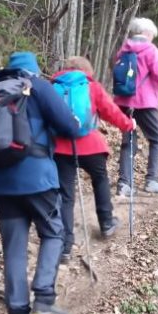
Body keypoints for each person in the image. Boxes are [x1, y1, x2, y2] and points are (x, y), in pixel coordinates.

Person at [0, 51, 80, 314]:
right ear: (32, 70)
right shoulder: (39, 87)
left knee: (14, 248)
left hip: (1, 181)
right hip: (37, 178)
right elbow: (69, 127)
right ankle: (44, 297)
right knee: (54, 232)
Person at [51, 55, 134, 262]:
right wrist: (128, 125)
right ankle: (106, 223)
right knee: (100, 179)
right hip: (91, 146)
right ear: (87, 71)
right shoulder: (91, 86)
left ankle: (65, 247)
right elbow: (110, 111)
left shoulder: (52, 87)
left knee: (66, 194)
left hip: (61, 148)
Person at [112, 17, 158, 195]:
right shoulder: (150, 50)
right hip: (144, 103)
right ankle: (152, 180)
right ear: (146, 33)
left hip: (123, 102)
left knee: (128, 141)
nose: (153, 37)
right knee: (156, 139)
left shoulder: (123, 49)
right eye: (152, 34)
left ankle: (124, 184)